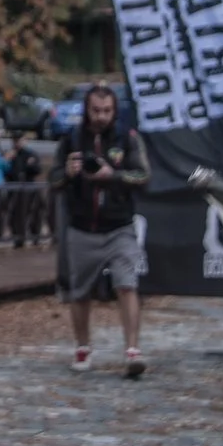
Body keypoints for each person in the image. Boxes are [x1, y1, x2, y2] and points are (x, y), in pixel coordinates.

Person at [55, 83, 149, 378]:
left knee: (126, 284)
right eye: (96, 110)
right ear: (86, 109)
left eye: (107, 111)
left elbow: (143, 175)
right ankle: (83, 347)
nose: (101, 116)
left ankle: (132, 350)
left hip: (118, 225)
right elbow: (52, 180)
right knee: (80, 291)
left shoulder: (127, 138)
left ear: (114, 111)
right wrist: (67, 174)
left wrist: (114, 175)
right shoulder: (71, 138)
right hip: (82, 226)